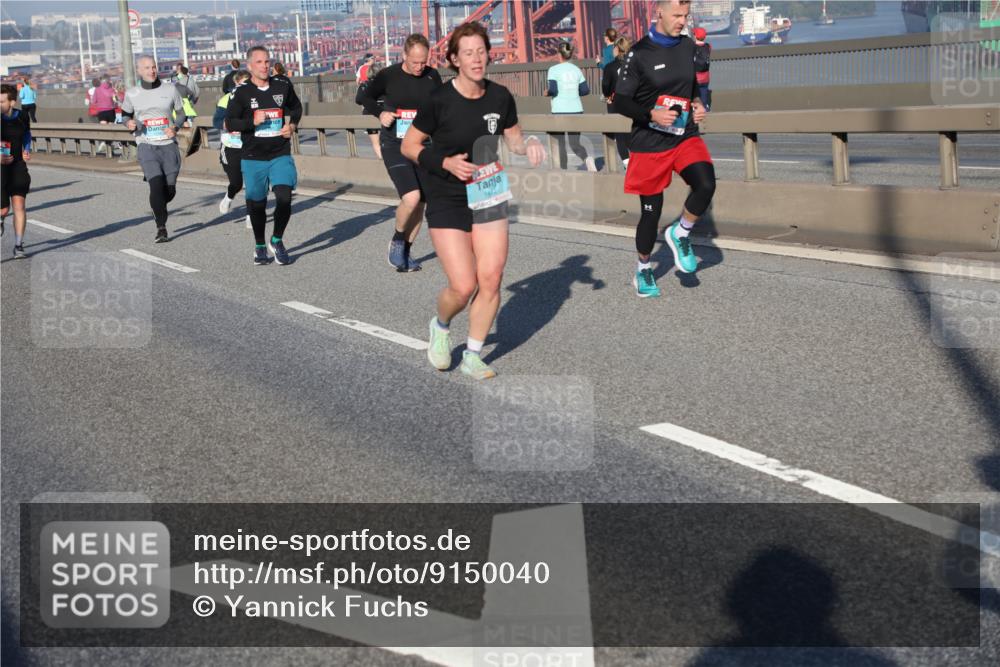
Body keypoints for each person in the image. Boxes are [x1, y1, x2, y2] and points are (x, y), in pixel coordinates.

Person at [402, 22, 546, 379]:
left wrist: (527, 145)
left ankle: (473, 354)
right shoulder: (438, 101)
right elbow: (409, 146)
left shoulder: (500, 97)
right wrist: (444, 161)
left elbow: (513, 139)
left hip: (488, 189)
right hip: (447, 195)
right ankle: (440, 325)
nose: (477, 58)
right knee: (464, 285)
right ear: (454, 59)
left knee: (492, 277)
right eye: (468, 52)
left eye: (481, 50)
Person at [613, 0, 714, 298]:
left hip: (684, 135)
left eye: (686, 15)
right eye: (677, 15)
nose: (683, 21)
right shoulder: (639, 54)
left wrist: (698, 104)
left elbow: (693, 88)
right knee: (650, 213)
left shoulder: (687, 47)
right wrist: (651, 114)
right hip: (649, 142)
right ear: (659, 12)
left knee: (706, 183)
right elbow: (620, 101)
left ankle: (680, 232)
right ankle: (643, 268)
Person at [357, 33, 443, 273]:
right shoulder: (388, 75)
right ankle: (397, 239)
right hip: (395, 144)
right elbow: (363, 96)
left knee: (422, 203)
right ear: (404, 55)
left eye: (423, 61)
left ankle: (406, 249)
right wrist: (380, 113)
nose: (419, 66)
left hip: (422, 146)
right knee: (411, 197)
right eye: (415, 61)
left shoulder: (432, 76)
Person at [226, 46, 303, 266]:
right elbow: (229, 122)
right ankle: (260, 245)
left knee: (284, 197)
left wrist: (293, 125)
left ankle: (276, 240)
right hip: (253, 156)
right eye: (259, 62)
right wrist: (252, 122)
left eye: (267, 62)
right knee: (257, 205)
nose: (265, 66)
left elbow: (296, 108)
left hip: (280, 153)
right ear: (249, 66)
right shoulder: (241, 92)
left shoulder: (282, 85)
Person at [121, 55, 188, 243]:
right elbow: (124, 115)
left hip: (168, 145)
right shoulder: (132, 93)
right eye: (147, 68)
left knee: (169, 191)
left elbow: (182, 113)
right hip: (146, 144)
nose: (152, 71)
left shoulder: (170, 89)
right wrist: (129, 123)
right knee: (156, 185)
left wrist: (175, 126)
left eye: (154, 67)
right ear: (139, 71)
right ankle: (161, 227)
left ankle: (158, 205)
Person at [546, 41, 596, 172]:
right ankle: (587, 159)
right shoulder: (576, 69)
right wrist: (573, 90)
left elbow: (553, 90)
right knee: (574, 143)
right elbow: (585, 90)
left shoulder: (553, 70)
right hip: (576, 110)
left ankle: (562, 170)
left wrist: (547, 92)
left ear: (559, 54)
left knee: (560, 143)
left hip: (559, 110)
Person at [215, 70, 251, 228]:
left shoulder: (255, 99)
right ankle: (229, 197)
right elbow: (216, 121)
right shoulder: (225, 100)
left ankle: (251, 215)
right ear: (235, 85)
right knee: (236, 183)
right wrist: (231, 124)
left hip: (250, 147)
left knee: (253, 184)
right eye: (242, 84)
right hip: (231, 146)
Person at [1, 83, 32, 258]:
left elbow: (27, 134)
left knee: (19, 205)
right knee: (3, 210)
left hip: (18, 165)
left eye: (1, 101)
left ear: (12, 102)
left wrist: (26, 149)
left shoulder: (22, 116)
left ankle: (19, 245)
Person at [601, 36, 632, 170]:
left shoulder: (610, 67)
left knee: (619, 133)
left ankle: (627, 162)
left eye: (614, 47)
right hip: (633, 102)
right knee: (633, 130)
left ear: (618, 49)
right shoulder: (635, 65)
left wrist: (607, 95)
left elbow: (606, 85)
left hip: (615, 102)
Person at [356, 54, 382, 159]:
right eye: (373, 58)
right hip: (383, 110)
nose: (374, 60)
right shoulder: (384, 83)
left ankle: (382, 159)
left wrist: (362, 87)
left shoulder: (361, 68)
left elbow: (357, 81)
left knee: (375, 142)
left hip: (366, 100)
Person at [693, 27, 712, 111]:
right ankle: (705, 109)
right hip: (705, 77)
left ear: (695, 36)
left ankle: (696, 111)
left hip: (695, 77)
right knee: (704, 95)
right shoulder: (708, 46)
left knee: (694, 96)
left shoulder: (691, 47)